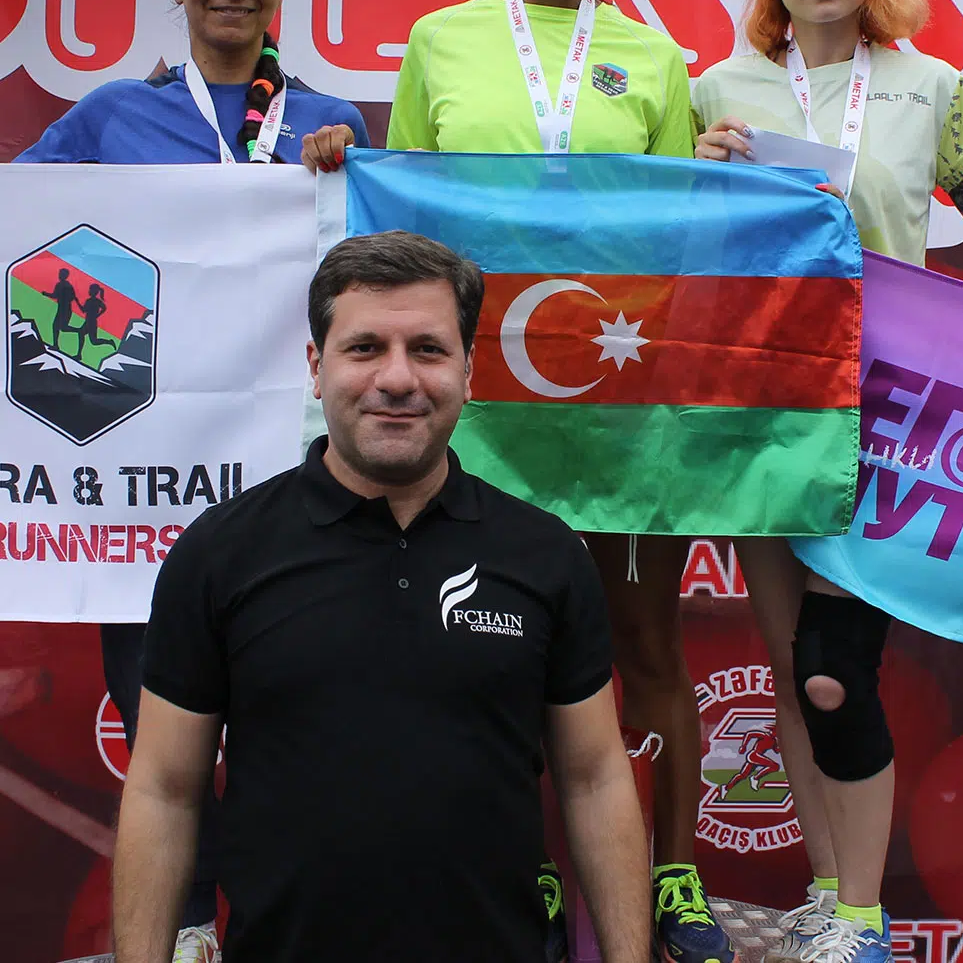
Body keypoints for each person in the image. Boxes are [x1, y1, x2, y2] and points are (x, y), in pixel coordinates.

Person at [694, 0, 963, 963]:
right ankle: (828, 900)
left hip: (889, 419)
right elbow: (687, 253)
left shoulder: (931, 88)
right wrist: (701, 176)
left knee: (831, 668)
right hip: (764, 411)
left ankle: (859, 922)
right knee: (789, 670)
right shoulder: (717, 92)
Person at [387, 0, 731, 963]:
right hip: (485, 410)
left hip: (622, 401)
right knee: (495, 645)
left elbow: (680, 240)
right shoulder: (440, 41)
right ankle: (522, 869)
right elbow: (403, 226)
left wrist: (725, 178)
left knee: (647, 647)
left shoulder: (655, 58)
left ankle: (675, 878)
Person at [112, 230, 652, 963]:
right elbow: (164, 791)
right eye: (364, 348)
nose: (397, 379)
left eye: (427, 350)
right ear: (316, 367)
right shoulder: (220, 553)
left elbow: (593, 780)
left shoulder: (546, 555)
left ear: (468, 370)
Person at [16, 0, 368, 963]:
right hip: (143, 476)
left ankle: (274, 923)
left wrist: (350, 177)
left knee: (291, 715)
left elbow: (380, 280)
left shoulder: (331, 122)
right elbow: (18, 234)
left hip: (296, 471)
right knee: (157, 721)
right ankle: (183, 928)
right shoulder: (112, 116)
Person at [75, 282, 108, 361]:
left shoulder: (96, 301)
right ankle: (79, 355)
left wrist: (98, 315)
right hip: (88, 321)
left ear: (94, 291)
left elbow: (104, 308)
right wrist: (77, 302)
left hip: (92, 323)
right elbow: (84, 310)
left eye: (90, 290)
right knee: (81, 333)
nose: (89, 291)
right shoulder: (89, 300)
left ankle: (109, 342)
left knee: (94, 341)